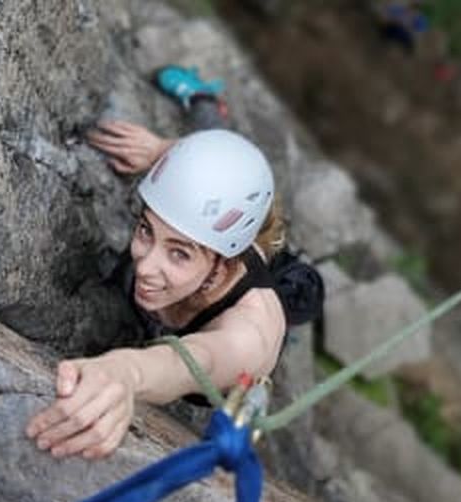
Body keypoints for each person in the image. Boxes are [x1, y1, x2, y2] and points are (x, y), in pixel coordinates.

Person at [25, 122, 288, 460]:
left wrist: (126, 373)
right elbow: (210, 166)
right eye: (146, 230)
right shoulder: (197, 247)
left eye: (179, 253)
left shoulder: (246, 338)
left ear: (222, 266)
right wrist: (161, 150)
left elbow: (191, 362)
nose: (145, 266)